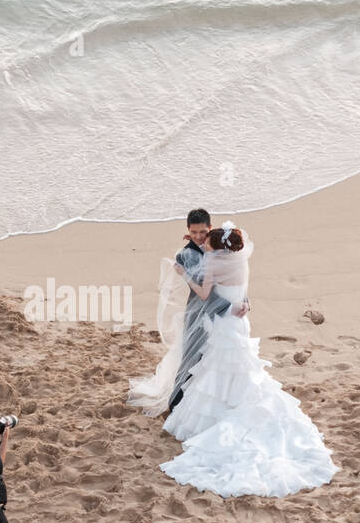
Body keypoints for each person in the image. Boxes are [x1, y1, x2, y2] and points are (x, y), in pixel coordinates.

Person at [159, 223, 338, 498]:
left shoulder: (213, 263)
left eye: (209, 243)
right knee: (241, 368)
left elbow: (205, 294)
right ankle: (238, 404)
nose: (205, 245)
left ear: (218, 248)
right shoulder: (240, 263)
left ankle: (216, 418)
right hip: (239, 323)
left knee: (216, 368)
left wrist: (184, 274)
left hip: (222, 324)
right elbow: (240, 293)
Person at [127, 207, 244, 416]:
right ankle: (176, 402)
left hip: (224, 315)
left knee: (217, 360)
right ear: (187, 231)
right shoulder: (184, 255)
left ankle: (214, 406)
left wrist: (244, 300)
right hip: (199, 313)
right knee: (191, 357)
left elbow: (233, 276)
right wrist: (230, 306)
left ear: (210, 229)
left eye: (202, 232)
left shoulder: (220, 245)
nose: (198, 237)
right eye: (193, 233)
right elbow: (203, 291)